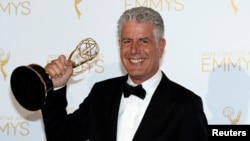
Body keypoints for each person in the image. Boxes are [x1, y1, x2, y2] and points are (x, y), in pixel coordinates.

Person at [42, 6, 208, 141]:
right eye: (127, 41)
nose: (134, 50)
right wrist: (56, 87)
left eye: (143, 41)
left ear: (161, 46)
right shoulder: (101, 93)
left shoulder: (185, 105)